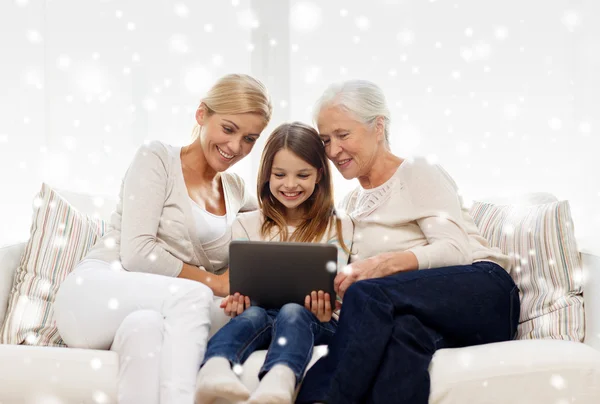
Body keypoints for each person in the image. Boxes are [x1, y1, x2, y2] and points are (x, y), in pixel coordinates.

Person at [295, 80, 521, 404]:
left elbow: (454, 249)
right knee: (401, 337)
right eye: (325, 140)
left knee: (369, 293)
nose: (332, 151)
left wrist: (380, 265)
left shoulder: (416, 171)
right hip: (425, 315)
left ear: (378, 126)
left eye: (343, 136)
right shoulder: (351, 204)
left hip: (484, 294)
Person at [53, 74, 272, 404]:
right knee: (195, 297)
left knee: (146, 331)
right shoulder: (157, 158)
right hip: (95, 294)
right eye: (228, 129)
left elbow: (284, 215)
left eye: (249, 138)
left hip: (143, 311)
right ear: (202, 115)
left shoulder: (236, 190)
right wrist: (217, 282)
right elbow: (138, 253)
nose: (235, 147)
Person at [195, 122, 353, 404]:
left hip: (318, 321)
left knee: (292, 311)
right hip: (261, 317)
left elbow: (342, 286)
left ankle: (279, 380)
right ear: (267, 175)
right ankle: (214, 368)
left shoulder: (340, 225)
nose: (290, 185)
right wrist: (237, 299)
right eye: (280, 175)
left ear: (319, 175)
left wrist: (330, 304)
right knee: (253, 314)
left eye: (302, 175)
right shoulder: (246, 224)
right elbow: (240, 283)